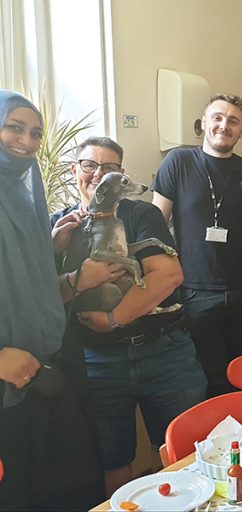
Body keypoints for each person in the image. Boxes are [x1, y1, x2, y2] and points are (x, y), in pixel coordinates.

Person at [51, 137, 207, 495]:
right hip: (96, 362)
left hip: (164, 352)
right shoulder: (58, 228)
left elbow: (167, 274)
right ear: (75, 170)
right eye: (90, 165)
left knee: (186, 451)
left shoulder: (139, 214)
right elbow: (41, 295)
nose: (98, 174)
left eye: (110, 168)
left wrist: (114, 318)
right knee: (111, 461)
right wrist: (77, 280)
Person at [0, 90, 103, 509]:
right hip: (8, 379)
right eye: (14, 128)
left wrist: (51, 245)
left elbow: (20, 274)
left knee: (68, 487)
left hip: (48, 366)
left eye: (36, 133)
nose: (27, 141)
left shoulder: (25, 194)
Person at [152, 94, 242, 397]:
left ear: (241, 129)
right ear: (204, 123)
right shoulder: (179, 162)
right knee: (204, 379)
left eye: (233, 120)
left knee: (237, 376)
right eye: (218, 118)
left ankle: (235, 440)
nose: (224, 125)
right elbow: (155, 225)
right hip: (195, 290)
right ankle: (209, 443)